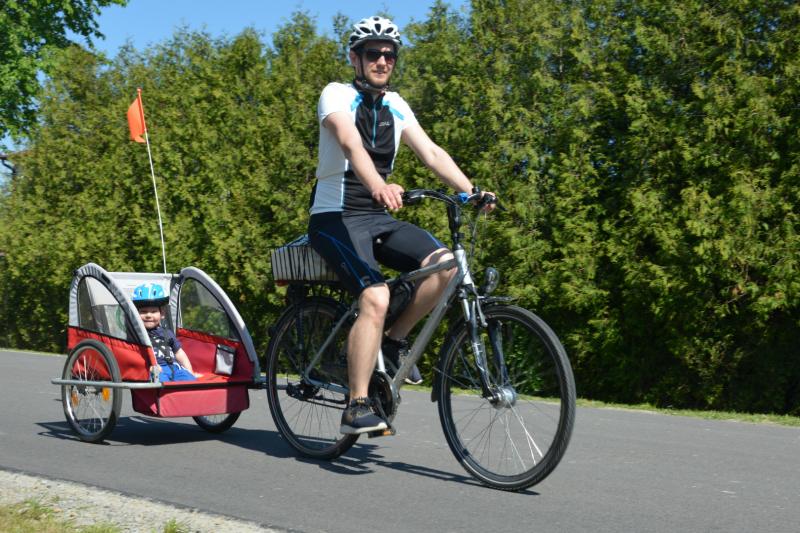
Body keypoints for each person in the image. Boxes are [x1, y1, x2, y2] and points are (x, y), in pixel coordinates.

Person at [307, 16, 496, 434]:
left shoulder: (396, 104)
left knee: (446, 266)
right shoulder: (336, 94)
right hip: (334, 217)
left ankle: (392, 343)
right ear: (355, 58)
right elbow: (349, 143)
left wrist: (471, 191)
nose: (382, 61)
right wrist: (378, 185)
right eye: (373, 53)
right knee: (374, 296)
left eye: (389, 55)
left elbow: (431, 152)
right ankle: (356, 405)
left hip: (376, 217)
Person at [131, 283, 200, 382]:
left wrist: (190, 371)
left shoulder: (167, 333)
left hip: (175, 367)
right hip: (155, 370)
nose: (148, 315)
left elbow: (179, 353)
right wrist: (147, 368)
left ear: (162, 314)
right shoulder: (136, 336)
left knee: (189, 379)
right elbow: (133, 358)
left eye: (153, 311)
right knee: (160, 381)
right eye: (143, 311)